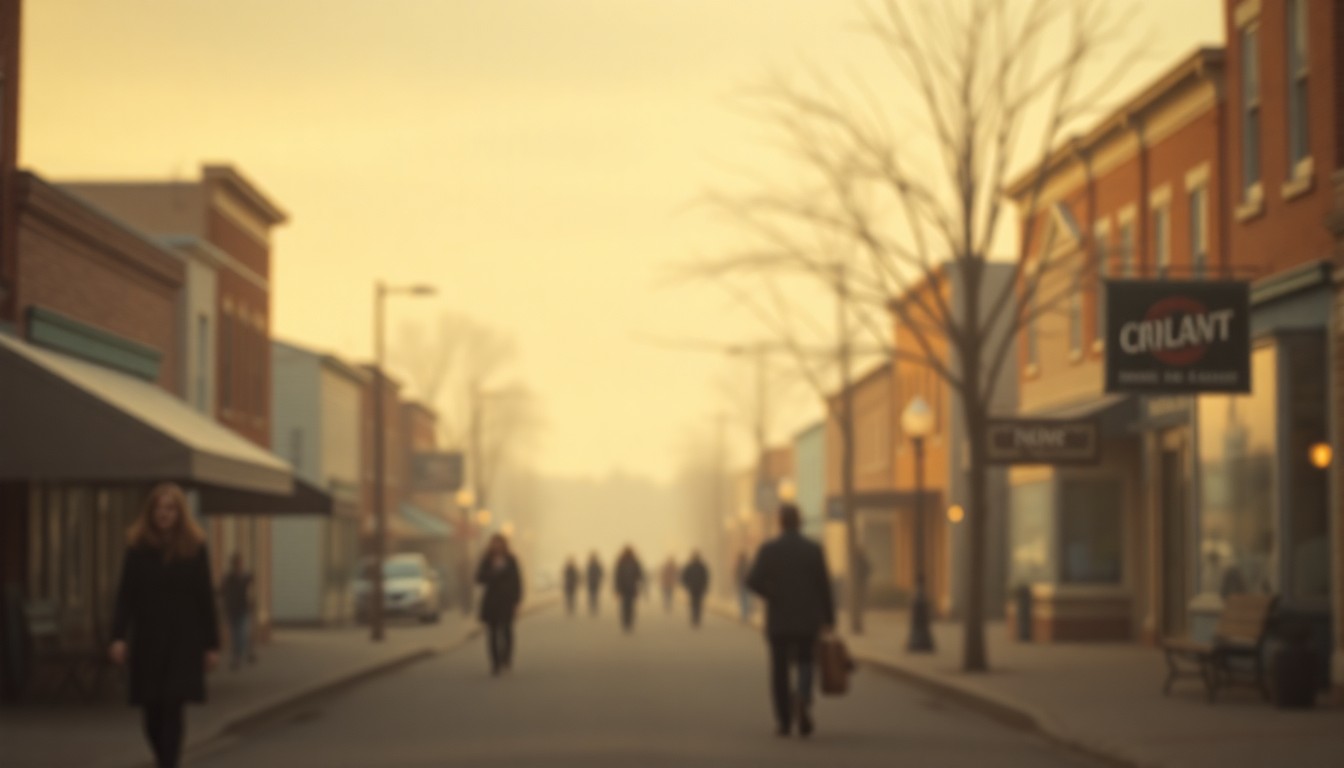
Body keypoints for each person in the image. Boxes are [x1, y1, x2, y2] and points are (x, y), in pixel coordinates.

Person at [108, 483, 220, 768]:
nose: (164, 514)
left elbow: (205, 597)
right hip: (148, 642)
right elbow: (125, 596)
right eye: (159, 508)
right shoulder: (138, 548)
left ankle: (168, 763)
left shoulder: (195, 548)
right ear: (151, 512)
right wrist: (118, 637)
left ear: (179, 513)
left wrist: (211, 644)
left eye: (170, 509)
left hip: (183, 642)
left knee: (173, 706)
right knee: (151, 714)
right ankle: (163, 758)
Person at [747, 503, 835, 739]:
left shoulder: (768, 550)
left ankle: (784, 721)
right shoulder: (813, 550)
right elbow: (824, 586)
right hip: (808, 619)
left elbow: (752, 580)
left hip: (779, 620)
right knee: (806, 660)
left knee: (779, 670)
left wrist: (772, 594)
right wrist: (829, 618)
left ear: (780, 522)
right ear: (800, 522)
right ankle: (803, 696)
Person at [476, 533, 524, 676]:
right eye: (495, 543)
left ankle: (506, 657)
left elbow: (518, 581)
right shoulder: (487, 560)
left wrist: (517, 600)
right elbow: (479, 578)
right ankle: (495, 662)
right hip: (491, 602)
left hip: (506, 601)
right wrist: (494, 570)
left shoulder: (511, 560)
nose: (497, 546)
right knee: (492, 632)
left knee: (507, 630)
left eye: (500, 543)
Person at [219, 553, 255, 671]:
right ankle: (237, 657)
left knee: (242, 633)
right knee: (235, 635)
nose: (239, 565)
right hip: (232, 610)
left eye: (240, 563)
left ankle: (239, 656)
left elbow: (252, 584)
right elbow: (222, 590)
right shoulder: (229, 578)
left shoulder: (245, 577)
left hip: (243, 609)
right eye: (237, 563)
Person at [613, 546, 645, 632]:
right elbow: (617, 576)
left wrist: (616, 588)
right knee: (626, 606)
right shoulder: (623, 562)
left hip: (630, 588)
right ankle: (626, 623)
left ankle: (628, 623)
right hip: (626, 588)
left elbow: (639, 573)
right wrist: (616, 588)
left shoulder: (632, 562)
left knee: (628, 606)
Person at [680, 551, 710, 628]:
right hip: (697, 587)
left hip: (695, 587)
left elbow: (705, 577)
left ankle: (695, 620)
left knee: (695, 603)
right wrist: (705, 586)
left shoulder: (695, 566)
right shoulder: (700, 566)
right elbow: (706, 577)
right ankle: (696, 620)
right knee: (697, 603)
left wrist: (686, 585)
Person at [735, 551, 753, 622]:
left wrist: (737, 582)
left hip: (742, 584)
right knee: (746, 599)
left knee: (743, 600)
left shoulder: (740, 565)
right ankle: (745, 614)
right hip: (746, 585)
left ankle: (744, 615)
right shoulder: (748, 565)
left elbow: (736, 575)